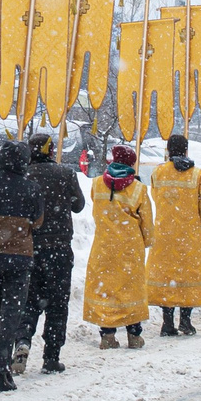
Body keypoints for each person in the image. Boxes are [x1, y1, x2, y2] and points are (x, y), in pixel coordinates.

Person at [0, 139, 42, 388]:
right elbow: (37, 221)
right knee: (11, 315)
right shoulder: (31, 188)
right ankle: (1, 369)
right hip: (20, 259)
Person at [27, 133, 88, 372]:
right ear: (51, 151)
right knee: (58, 303)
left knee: (28, 301)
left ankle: (22, 341)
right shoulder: (65, 173)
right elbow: (78, 205)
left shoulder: (25, 174)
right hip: (59, 247)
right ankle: (51, 356)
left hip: (31, 246)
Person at [84, 143, 155, 346]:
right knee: (130, 289)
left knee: (107, 289)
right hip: (129, 247)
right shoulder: (139, 188)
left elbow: (97, 210)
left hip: (104, 246)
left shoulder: (97, 184)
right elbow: (146, 221)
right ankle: (134, 334)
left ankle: (107, 335)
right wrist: (147, 241)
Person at [147, 133, 201, 335]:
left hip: (165, 233)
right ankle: (186, 320)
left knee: (166, 276)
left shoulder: (158, 172)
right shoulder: (197, 174)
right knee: (188, 276)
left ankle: (167, 322)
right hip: (189, 234)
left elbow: (156, 196)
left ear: (168, 150)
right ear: (186, 150)